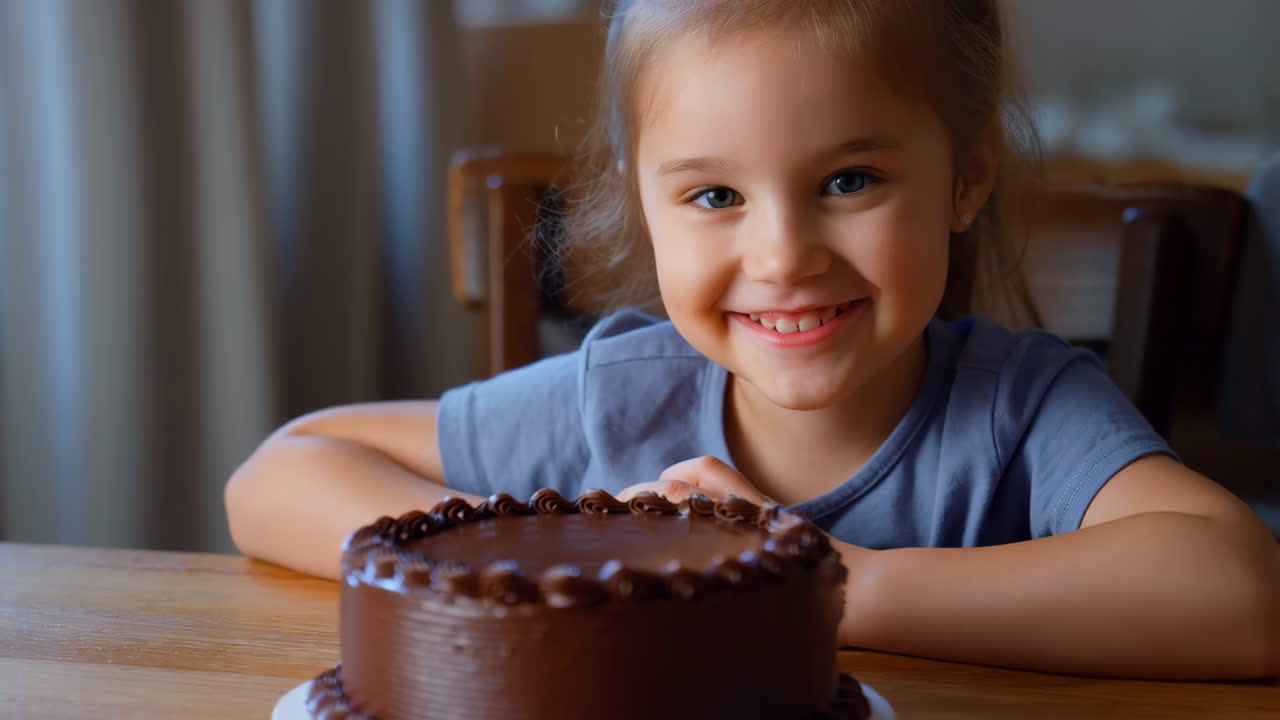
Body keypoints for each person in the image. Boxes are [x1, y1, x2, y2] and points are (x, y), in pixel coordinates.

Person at [225, 0, 1279, 679]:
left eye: (847, 181)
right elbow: (276, 476)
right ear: (646, 206)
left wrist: (831, 582)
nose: (780, 256)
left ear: (965, 176)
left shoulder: (1021, 413)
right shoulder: (623, 395)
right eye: (715, 193)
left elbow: (1242, 594)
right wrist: (534, 551)